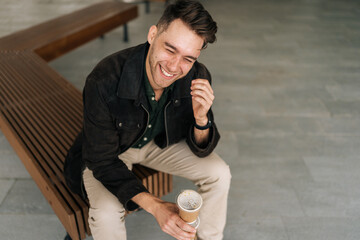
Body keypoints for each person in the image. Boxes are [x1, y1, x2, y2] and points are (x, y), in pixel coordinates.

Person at [64, 0, 231, 239]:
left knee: (219, 173)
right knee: (106, 214)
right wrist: (156, 206)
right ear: (153, 34)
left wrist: (201, 118)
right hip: (112, 151)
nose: (174, 66)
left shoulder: (197, 76)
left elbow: (202, 148)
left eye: (188, 58)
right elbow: (101, 161)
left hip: (158, 144)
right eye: (170, 49)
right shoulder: (104, 79)